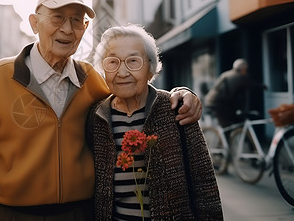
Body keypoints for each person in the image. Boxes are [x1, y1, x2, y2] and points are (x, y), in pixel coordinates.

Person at [0, 0, 202, 221]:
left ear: (84, 29)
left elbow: (132, 92)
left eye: (77, 20)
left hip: (78, 214)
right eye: (57, 18)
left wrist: (182, 94)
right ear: (34, 23)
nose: (67, 29)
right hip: (10, 214)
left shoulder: (91, 81)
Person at [87, 24, 223, 220]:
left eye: (133, 61)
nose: (122, 72)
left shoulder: (176, 109)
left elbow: (204, 184)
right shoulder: (96, 117)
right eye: (112, 62)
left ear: (150, 69)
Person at [204, 58, 266, 128]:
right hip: (218, 104)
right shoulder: (240, 77)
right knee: (228, 125)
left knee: (228, 122)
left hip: (211, 101)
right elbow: (249, 84)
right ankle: (227, 137)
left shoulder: (227, 74)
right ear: (243, 69)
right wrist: (263, 86)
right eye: (246, 69)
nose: (246, 71)